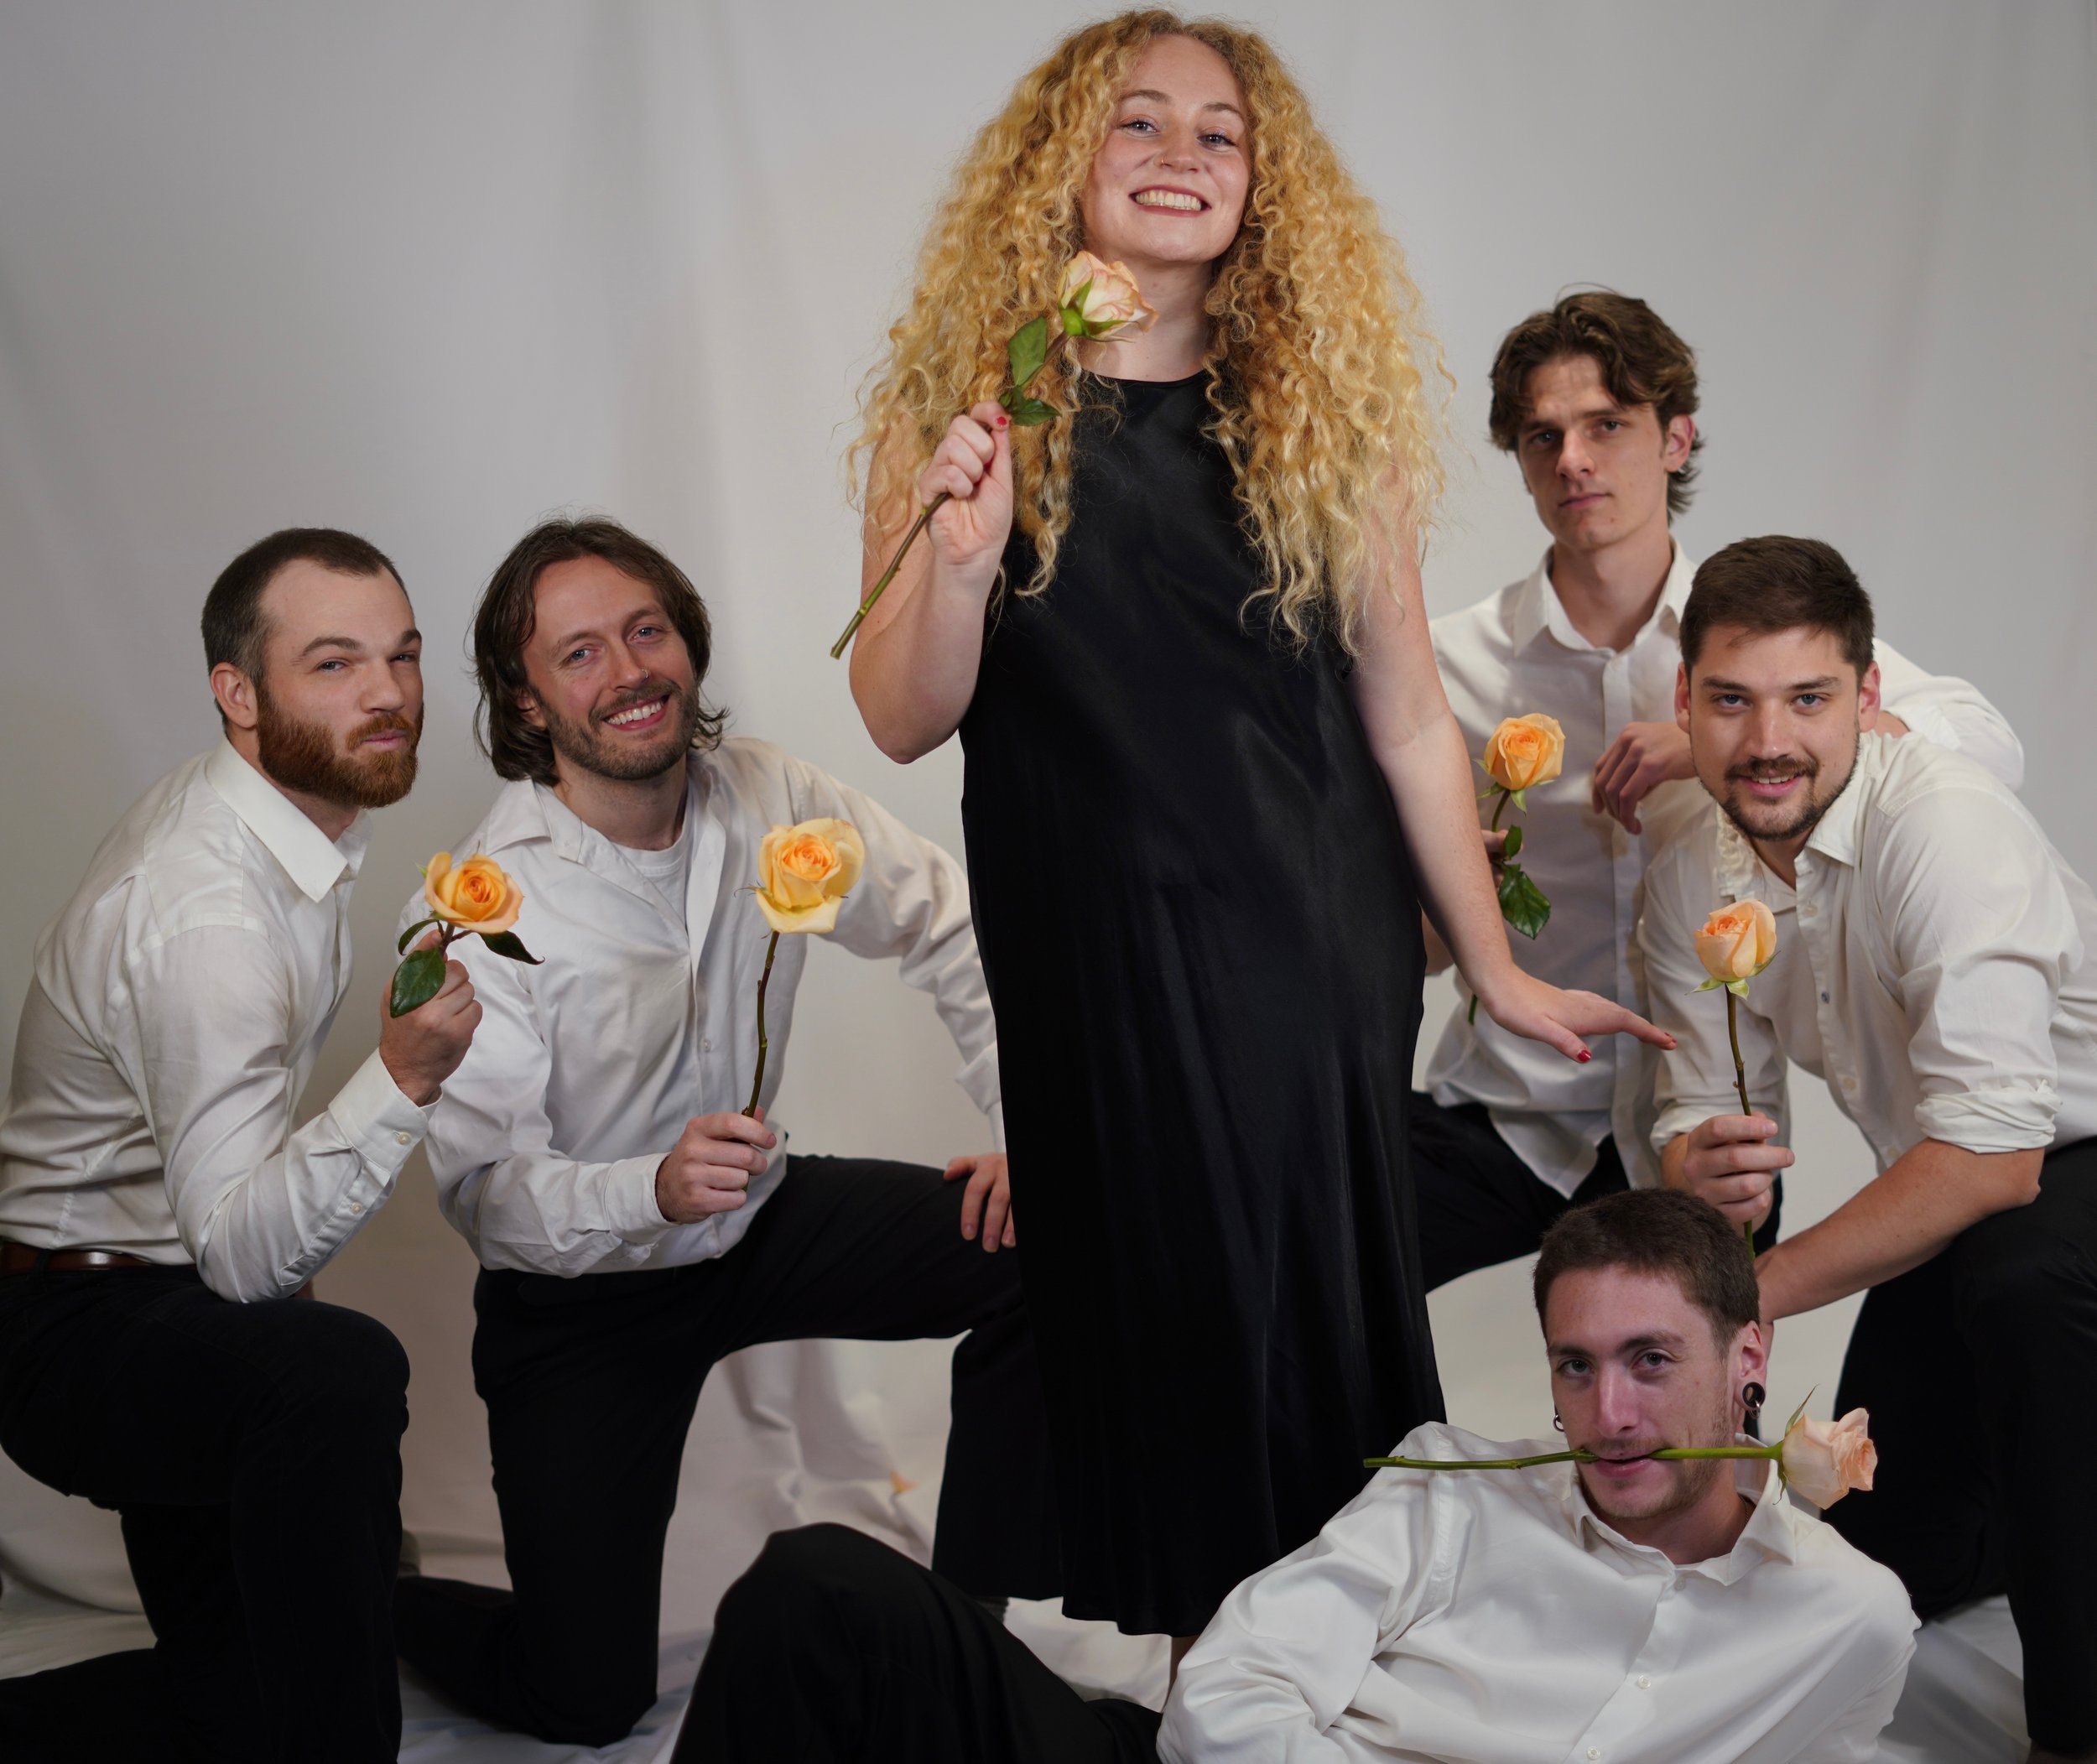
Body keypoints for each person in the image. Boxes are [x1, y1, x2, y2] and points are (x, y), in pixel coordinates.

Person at [845, 11, 1665, 1650]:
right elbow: (899, 712)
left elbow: (1408, 713)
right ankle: (1205, 1679)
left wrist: (1493, 972)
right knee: (1137, 1313)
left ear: (1260, 183)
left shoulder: (1317, 410)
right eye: (1134, 124)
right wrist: (954, 548)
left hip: (1301, 931)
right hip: (1084, 949)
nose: (1176, 156)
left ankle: (1300, 1674)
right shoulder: (971, 407)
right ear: (1061, 166)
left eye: (1216, 134)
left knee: (1281, 1302)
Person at [388, 518, 1058, 1748]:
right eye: (578, 653)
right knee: (584, 1700)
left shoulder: (770, 791)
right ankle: (369, 1597)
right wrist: (649, 1184)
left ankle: (962, 1618)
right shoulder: (482, 902)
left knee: (1058, 1256)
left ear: (686, 645)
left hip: (761, 1218)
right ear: (528, 703)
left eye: (646, 630)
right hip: (580, 1294)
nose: (629, 669)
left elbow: (947, 922)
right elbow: (483, 1190)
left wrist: (1027, 1131)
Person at [671, 1189, 1916, 1764]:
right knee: (819, 1580)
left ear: (1750, 1352)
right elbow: (1227, 1694)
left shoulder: (1846, 1615)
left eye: (1653, 1359)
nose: (1611, 1411)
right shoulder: (1452, 1483)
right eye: (1576, 1365)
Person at [1416, 291, 2022, 1291]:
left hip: (1703, 1123)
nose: (1573, 459)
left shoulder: (1754, 639)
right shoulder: (1448, 670)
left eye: (1607, 424)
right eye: (1542, 436)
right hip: (1505, 1108)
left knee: (1701, 1407)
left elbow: (1986, 747)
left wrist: (1720, 742)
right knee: (1314, 1283)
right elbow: (1394, 920)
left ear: (1676, 438)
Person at [0, 529, 481, 1764]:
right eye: (334, 662)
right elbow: (239, 1262)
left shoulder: (278, 822)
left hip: (158, 1294)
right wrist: (405, 1072)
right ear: (239, 693)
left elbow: (240, 1199)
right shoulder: (209, 909)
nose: (386, 693)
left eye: (402, 655)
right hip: (73, 1326)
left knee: (232, 1707)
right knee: (335, 1372)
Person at [1642, 536, 2097, 1763]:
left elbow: (2000, 1159)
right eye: (1731, 700)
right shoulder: (1690, 854)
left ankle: (2076, 1725)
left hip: (2059, 1167)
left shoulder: (1942, 819)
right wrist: (1696, 1164)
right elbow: (1692, 1102)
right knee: (1897, 1547)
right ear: (1684, 703)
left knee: (2023, 1280)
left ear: (1870, 698)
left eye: (1808, 698)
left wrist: (1747, 1297)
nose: (1768, 739)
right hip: (1969, 1183)